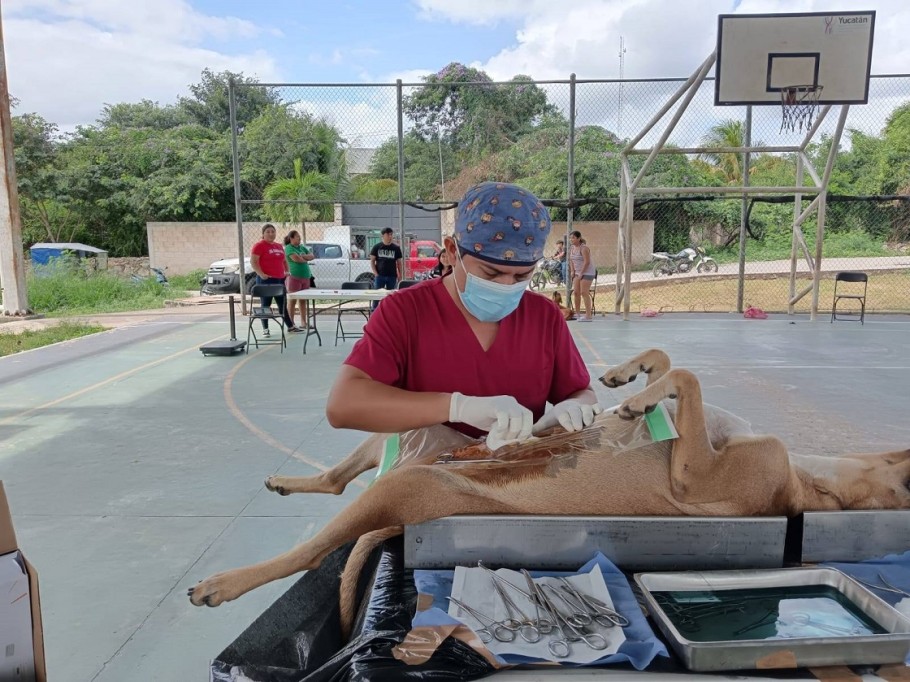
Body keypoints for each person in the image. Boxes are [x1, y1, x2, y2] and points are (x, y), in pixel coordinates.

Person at [326, 181, 601, 452]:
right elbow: (344, 406)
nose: (506, 286)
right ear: (453, 251)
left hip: (518, 476)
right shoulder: (406, 311)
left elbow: (582, 392)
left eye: (521, 275)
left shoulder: (543, 318)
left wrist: (574, 406)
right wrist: (457, 407)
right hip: (427, 478)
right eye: (490, 273)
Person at [250, 223, 297, 336]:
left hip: (279, 280)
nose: (271, 234)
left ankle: (290, 326)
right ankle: (265, 329)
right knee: (266, 305)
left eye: (273, 231)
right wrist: (261, 274)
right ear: (263, 234)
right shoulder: (259, 246)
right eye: (268, 232)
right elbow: (253, 261)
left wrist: (287, 271)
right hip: (266, 280)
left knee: (282, 304)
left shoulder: (278, 246)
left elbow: (284, 260)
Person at [284, 230, 314, 331]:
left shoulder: (301, 247)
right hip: (294, 277)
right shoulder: (288, 248)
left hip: (305, 277)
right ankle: (291, 323)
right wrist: (305, 258)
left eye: (299, 237)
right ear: (291, 238)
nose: (299, 238)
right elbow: (297, 259)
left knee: (303, 300)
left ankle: (303, 322)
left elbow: (312, 256)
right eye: (297, 237)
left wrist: (303, 257)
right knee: (292, 300)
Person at [369, 227, 402, 310]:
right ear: (383, 236)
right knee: (377, 296)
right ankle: (374, 313)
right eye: (388, 234)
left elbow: (399, 262)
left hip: (392, 275)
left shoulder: (396, 248)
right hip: (380, 275)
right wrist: (376, 273)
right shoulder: (377, 247)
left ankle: (389, 312)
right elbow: (372, 261)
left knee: (391, 296)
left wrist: (400, 274)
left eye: (391, 234)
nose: (390, 236)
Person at [568, 230, 596, 322]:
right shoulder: (571, 248)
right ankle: (578, 313)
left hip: (587, 272)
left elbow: (587, 262)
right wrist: (572, 271)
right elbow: (571, 260)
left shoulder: (584, 248)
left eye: (573, 238)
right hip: (577, 272)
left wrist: (581, 273)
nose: (571, 239)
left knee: (584, 292)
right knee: (576, 292)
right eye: (570, 238)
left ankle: (588, 316)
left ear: (579, 238)